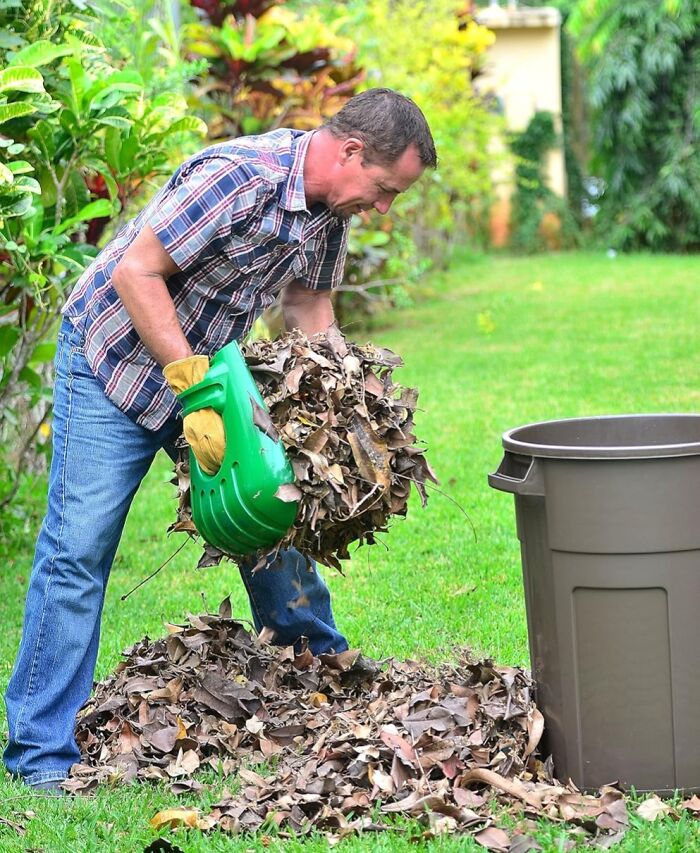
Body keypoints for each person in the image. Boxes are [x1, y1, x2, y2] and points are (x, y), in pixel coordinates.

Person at [3, 88, 437, 789]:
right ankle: (39, 754)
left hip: (209, 371)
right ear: (351, 151)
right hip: (114, 357)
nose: (383, 206)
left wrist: (340, 395)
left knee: (273, 507)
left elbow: (308, 303)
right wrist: (194, 389)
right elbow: (134, 272)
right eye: (384, 189)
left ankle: (321, 676)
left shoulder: (329, 212)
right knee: (78, 548)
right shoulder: (240, 176)